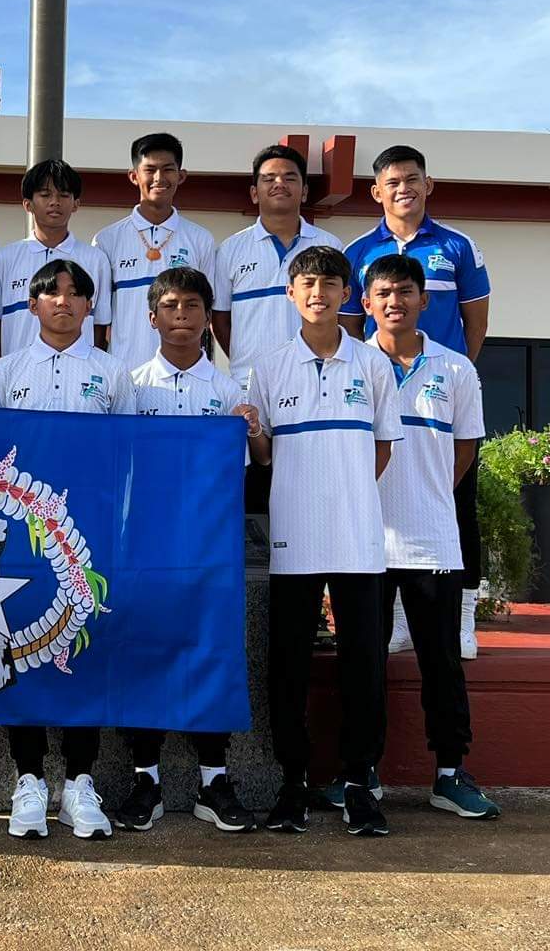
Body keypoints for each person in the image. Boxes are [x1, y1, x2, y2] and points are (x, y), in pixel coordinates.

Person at [246, 245, 404, 837]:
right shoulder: (268, 366)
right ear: (291, 293)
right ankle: (293, 780)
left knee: (363, 660)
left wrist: (348, 497)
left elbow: (382, 446)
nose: (318, 292)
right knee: (286, 664)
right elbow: (264, 456)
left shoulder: (371, 365)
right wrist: (257, 436)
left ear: (347, 294)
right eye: (307, 283)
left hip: (358, 539)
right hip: (292, 538)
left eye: (330, 283)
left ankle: (361, 779)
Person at [0, 259, 136, 839]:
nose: (64, 303)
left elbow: (126, 456)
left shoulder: (112, 372)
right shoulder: (5, 371)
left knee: (83, 650)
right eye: (52, 293)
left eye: (76, 294)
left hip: (87, 536)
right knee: (18, 649)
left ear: (91, 305)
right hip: (20, 532)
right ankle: (28, 780)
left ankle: (79, 781)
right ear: (32, 304)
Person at [117, 267, 258, 833]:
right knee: (144, 650)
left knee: (210, 651)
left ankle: (213, 780)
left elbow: (238, 471)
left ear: (208, 317)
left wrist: (243, 430)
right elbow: (118, 468)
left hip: (208, 546)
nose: (181, 314)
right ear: (151, 316)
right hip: (146, 543)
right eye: (170, 305)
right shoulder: (130, 386)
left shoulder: (230, 393)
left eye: (193, 305)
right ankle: (144, 780)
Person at [361, 253, 502, 822]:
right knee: (363, 663)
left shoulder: (456, 370)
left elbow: (465, 449)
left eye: (405, 291)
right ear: (366, 304)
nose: (395, 301)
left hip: (433, 542)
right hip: (363, 540)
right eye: (383, 293)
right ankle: (360, 773)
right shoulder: (350, 365)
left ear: (425, 300)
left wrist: (428, 497)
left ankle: (449, 772)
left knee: (440, 661)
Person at [340, 144, 492, 660]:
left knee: (457, 508)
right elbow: (349, 329)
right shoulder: (358, 251)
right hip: (379, 400)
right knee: (381, 506)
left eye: (413, 178)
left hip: (438, 398)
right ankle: (400, 620)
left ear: (429, 185)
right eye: (393, 181)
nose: (403, 188)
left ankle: (465, 617)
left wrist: (449, 374)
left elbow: (476, 325)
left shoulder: (458, 246)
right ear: (376, 191)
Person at [211, 144, 344, 382]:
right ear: (254, 192)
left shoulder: (331, 245)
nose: (279, 183)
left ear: (304, 191)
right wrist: (244, 359)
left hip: (315, 378)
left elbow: (341, 314)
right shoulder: (230, 250)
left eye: (289, 177)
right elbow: (220, 319)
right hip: (250, 382)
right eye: (269, 178)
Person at [93, 133, 218, 369]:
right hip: (124, 375)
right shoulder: (106, 240)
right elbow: (98, 322)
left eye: (168, 169)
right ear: (133, 176)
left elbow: (208, 315)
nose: (159, 178)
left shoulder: (201, 239)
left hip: (186, 375)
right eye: (150, 170)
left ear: (181, 176)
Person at [0, 158, 110, 360]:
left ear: (76, 204)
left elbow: (101, 326)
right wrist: (3, 369)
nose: (55, 202)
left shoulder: (96, 259)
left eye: (64, 195)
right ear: (28, 204)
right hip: (18, 379)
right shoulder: (4, 258)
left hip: (80, 378)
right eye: (45, 194)